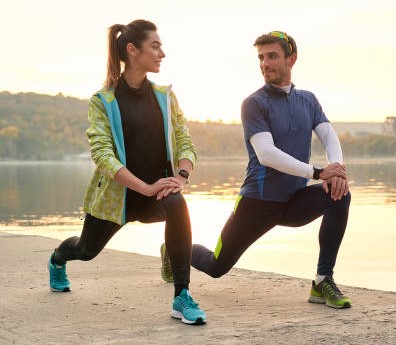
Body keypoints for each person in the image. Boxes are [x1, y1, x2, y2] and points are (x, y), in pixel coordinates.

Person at [161, 31, 352, 309]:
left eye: (272, 56)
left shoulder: (308, 100)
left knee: (340, 195)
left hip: (293, 202)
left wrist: (337, 173)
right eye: (261, 58)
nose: (265, 63)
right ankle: (174, 249)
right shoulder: (254, 103)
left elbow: (329, 136)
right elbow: (266, 154)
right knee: (216, 266)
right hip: (257, 203)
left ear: (291, 59)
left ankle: (323, 280)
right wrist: (318, 172)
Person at [47, 19, 206, 325]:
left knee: (177, 204)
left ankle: (181, 296)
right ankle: (57, 259)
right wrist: (144, 187)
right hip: (116, 199)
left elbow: (185, 141)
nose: (162, 53)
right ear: (133, 50)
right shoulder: (103, 101)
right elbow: (103, 155)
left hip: (156, 193)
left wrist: (182, 176)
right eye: (155, 46)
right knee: (85, 249)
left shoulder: (165, 96)